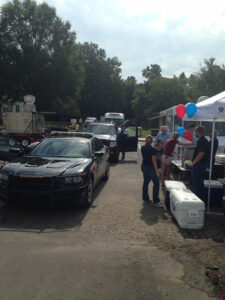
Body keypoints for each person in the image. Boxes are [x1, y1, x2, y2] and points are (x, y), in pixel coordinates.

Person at [141, 135, 163, 207]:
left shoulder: (142, 148)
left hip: (144, 167)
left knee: (146, 183)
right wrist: (157, 171)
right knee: (156, 183)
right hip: (151, 168)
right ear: (152, 142)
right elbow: (154, 160)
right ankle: (156, 201)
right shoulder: (153, 149)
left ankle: (145, 198)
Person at [192, 126, 210, 201]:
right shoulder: (203, 140)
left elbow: (201, 154)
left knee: (197, 184)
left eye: (195, 132)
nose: (195, 134)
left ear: (198, 132)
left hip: (200, 165)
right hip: (202, 164)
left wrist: (193, 163)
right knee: (199, 183)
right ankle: (200, 199)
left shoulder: (202, 141)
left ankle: (198, 200)